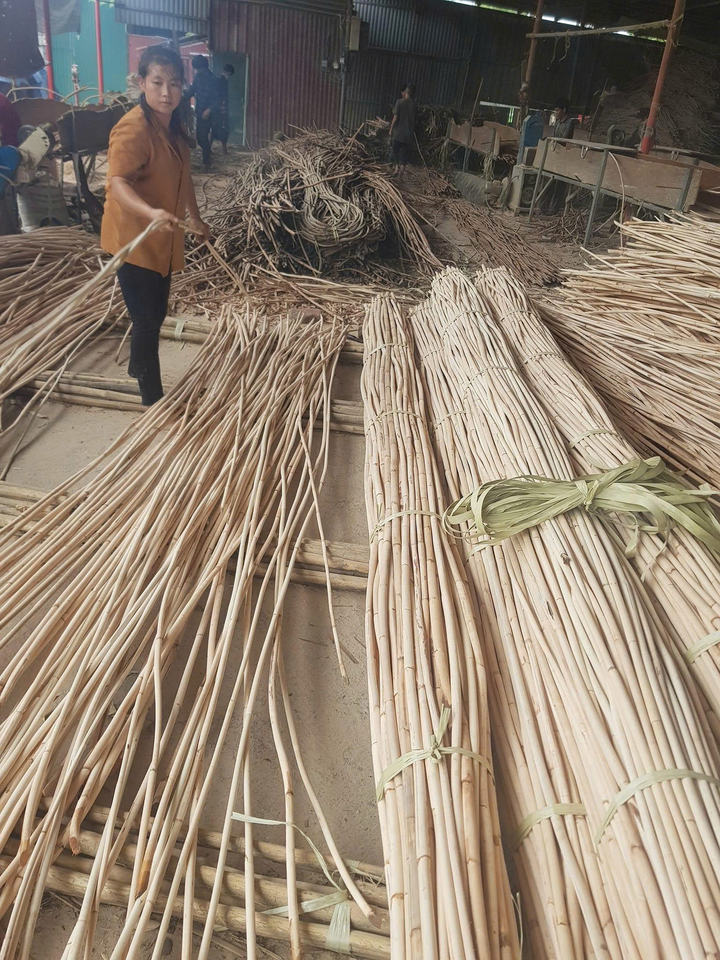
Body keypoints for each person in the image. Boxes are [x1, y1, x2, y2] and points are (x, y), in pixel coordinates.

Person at [100, 44, 210, 407]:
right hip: (133, 238)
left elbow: (184, 176)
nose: (167, 92)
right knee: (146, 318)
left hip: (163, 237)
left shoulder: (174, 126)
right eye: (158, 82)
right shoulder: (132, 129)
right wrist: (150, 213)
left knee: (156, 312)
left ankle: (137, 365)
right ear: (141, 82)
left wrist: (195, 218)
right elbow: (118, 183)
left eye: (174, 83)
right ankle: (151, 397)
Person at [187, 55, 219, 169]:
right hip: (200, 111)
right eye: (197, 69)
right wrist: (182, 96)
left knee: (204, 137)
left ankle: (207, 162)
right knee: (200, 139)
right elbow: (192, 91)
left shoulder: (213, 79)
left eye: (199, 68)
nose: (198, 71)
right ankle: (208, 155)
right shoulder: (198, 77)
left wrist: (209, 110)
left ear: (204, 67)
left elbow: (217, 99)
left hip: (210, 113)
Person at [389, 83, 416, 177]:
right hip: (408, 134)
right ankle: (401, 172)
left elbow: (395, 118)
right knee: (404, 154)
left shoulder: (399, 102)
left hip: (398, 133)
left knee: (395, 150)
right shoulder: (413, 105)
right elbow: (413, 121)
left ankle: (396, 168)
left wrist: (391, 129)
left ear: (405, 92)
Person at [212, 64, 234, 155]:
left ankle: (210, 149)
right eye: (229, 74)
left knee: (215, 128)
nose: (229, 76)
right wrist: (223, 108)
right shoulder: (222, 81)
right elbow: (220, 97)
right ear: (227, 72)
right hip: (221, 109)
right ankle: (224, 150)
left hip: (218, 109)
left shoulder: (218, 80)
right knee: (223, 128)